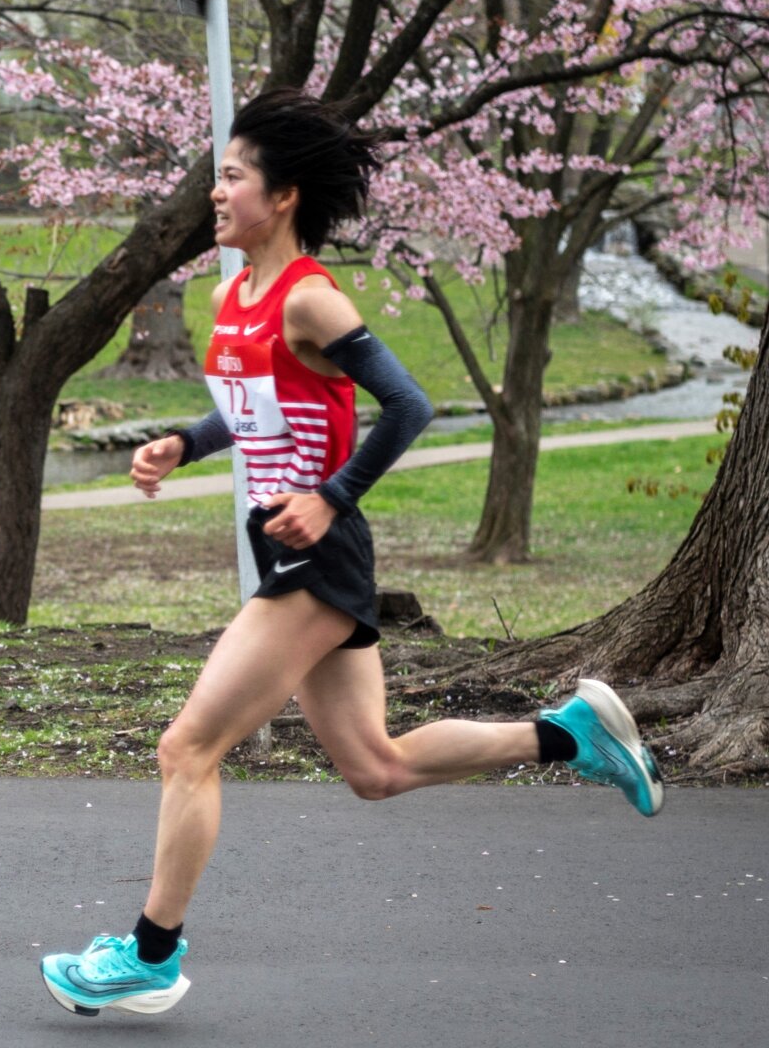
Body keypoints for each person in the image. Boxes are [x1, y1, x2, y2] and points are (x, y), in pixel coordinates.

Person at [39, 89, 664, 1017]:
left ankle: (151, 955)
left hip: (317, 557)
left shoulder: (312, 298)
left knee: (188, 746)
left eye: (234, 176)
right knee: (376, 769)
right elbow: (253, 412)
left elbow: (409, 405)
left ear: (283, 195)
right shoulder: (234, 296)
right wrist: (183, 443)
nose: (216, 191)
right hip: (286, 548)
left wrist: (331, 498)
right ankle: (571, 735)